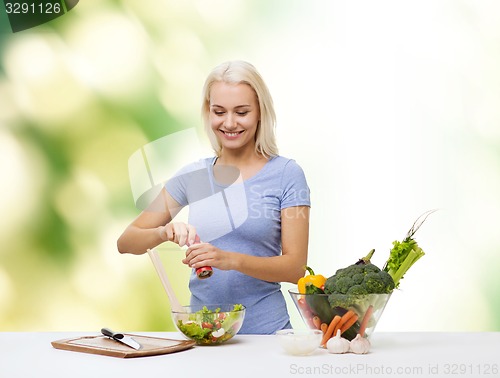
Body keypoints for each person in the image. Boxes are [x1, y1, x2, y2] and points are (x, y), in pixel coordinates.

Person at [117, 60, 310, 334]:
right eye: (219, 111)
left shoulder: (286, 174)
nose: (229, 123)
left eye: (241, 112)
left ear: (259, 114)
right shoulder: (194, 177)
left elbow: (295, 268)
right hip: (203, 334)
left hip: (267, 335)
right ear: (208, 113)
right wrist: (163, 232)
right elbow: (126, 242)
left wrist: (229, 259)